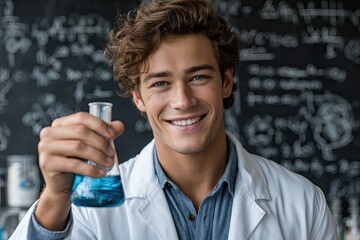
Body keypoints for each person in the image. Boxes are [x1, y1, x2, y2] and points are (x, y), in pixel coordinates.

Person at [11, 0, 337, 239]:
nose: (182, 101)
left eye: (198, 77)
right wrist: (55, 196)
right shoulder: (90, 208)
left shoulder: (302, 203)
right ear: (137, 97)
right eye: (161, 83)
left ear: (225, 82)